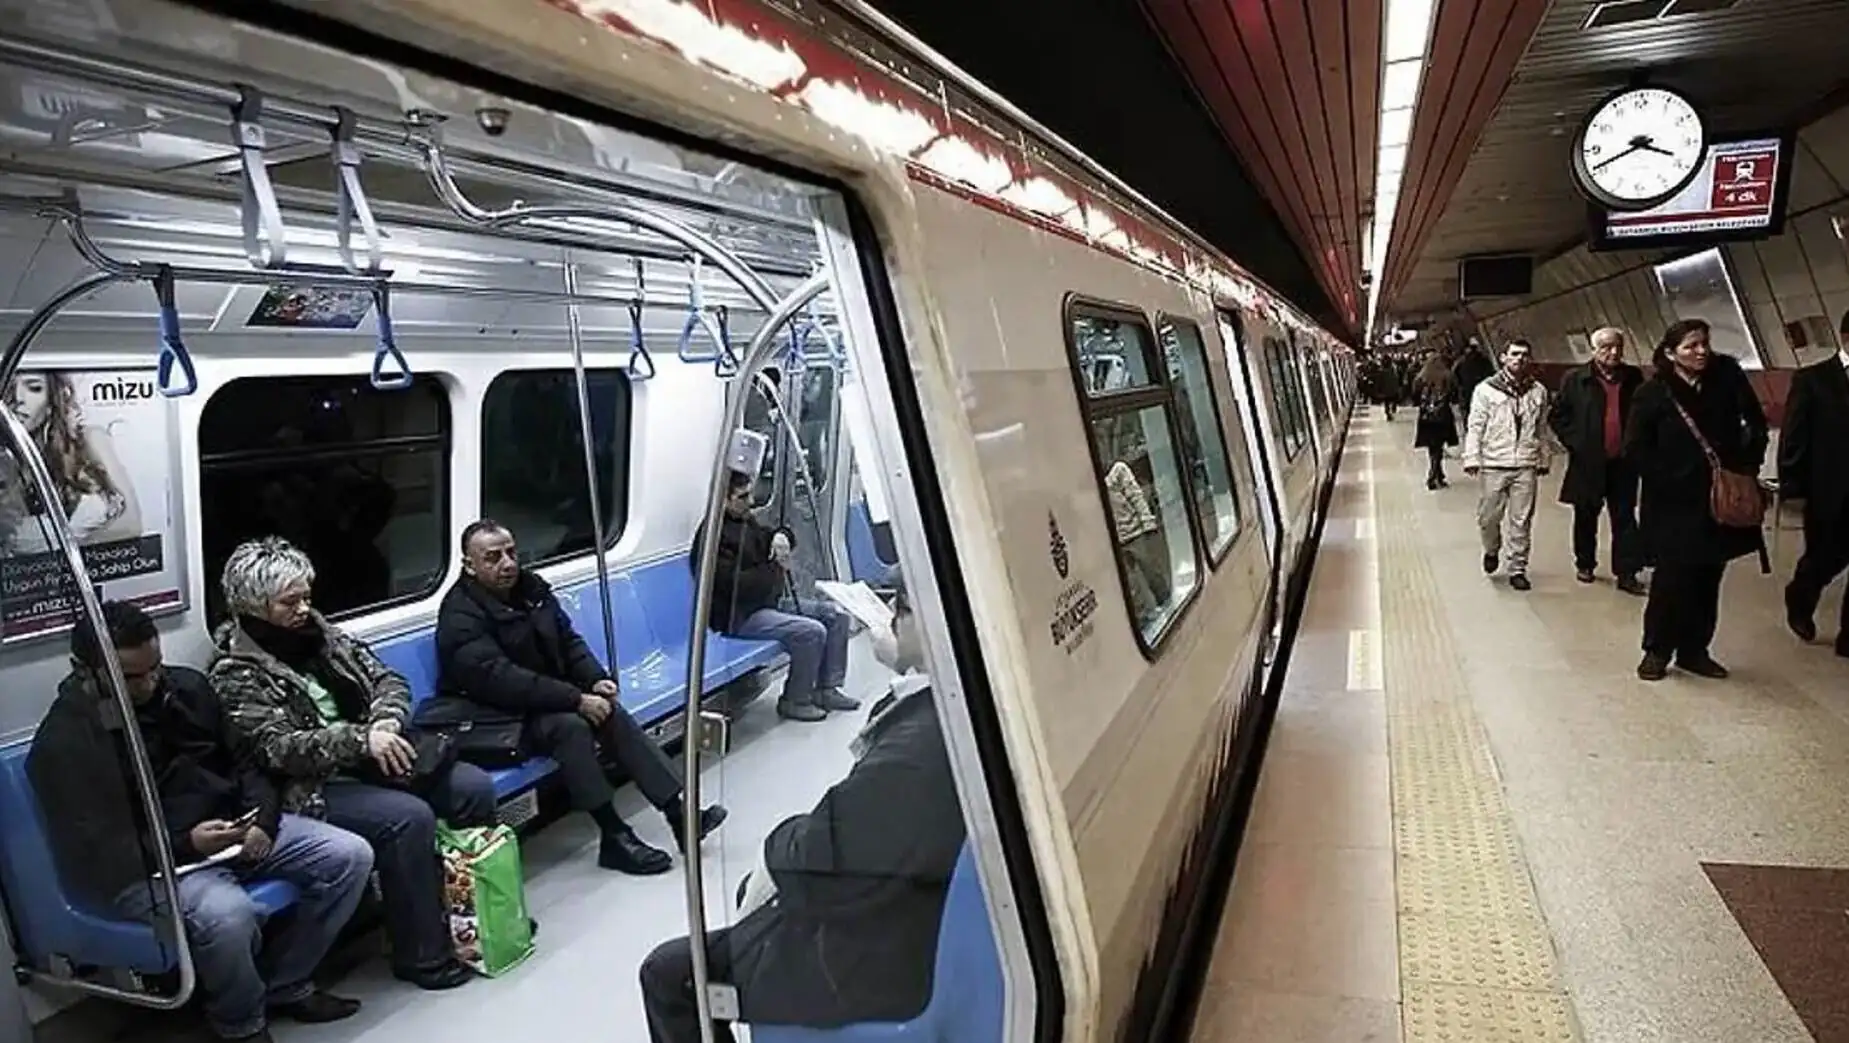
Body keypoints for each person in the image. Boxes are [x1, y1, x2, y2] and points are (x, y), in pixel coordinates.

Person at [638, 584, 966, 1043]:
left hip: (876, 958)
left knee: (670, 974)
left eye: (902, 609)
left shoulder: (916, 743)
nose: (891, 615)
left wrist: (774, 848)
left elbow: (821, 856)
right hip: (907, 911)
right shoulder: (956, 709)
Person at [29, 601, 370, 1042]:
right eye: (130, 678)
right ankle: (241, 1023)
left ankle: (284, 982)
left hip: (232, 828)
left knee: (349, 857)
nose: (150, 683)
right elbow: (101, 851)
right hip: (155, 866)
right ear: (84, 670)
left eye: (155, 667)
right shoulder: (65, 744)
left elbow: (247, 762)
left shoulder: (186, 688)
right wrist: (187, 843)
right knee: (228, 916)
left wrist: (263, 821)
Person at [211, 536, 490, 990]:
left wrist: (384, 721)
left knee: (471, 788)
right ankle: (421, 955)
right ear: (254, 606)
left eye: (306, 595)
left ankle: (473, 924)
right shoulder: (235, 673)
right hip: (313, 788)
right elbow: (276, 749)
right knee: (408, 819)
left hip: (374, 754)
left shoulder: (324, 636)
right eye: (289, 602)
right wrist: (363, 740)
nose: (304, 608)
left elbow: (387, 679)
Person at [426, 520, 726, 876]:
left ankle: (680, 816)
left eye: (510, 553)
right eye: (492, 558)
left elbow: (568, 642)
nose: (506, 564)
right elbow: (500, 681)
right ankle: (614, 835)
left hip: (538, 700)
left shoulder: (531, 589)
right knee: (570, 726)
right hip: (492, 716)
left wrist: (595, 679)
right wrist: (575, 699)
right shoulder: (460, 615)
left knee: (607, 712)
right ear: (469, 566)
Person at [1623, 319, 1768, 681]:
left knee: (1708, 576)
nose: (1701, 351)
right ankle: (1656, 649)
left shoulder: (1727, 378)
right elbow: (1636, 447)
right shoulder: (1653, 392)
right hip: (1673, 502)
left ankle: (1695, 650)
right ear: (1671, 353)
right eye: (1691, 346)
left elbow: (1755, 422)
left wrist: (1746, 465)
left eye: (1704, 343)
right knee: (1671, 579)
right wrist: (1668, 478)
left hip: (1719, 498)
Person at [693, 474, 856, 723]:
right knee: (810, 631)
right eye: (742, 497)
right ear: (723, 501)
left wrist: (783, 537)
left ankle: (827, 688)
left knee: (836, 615)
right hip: (737, 616)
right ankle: (795, 699)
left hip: (765, 604)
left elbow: (775, 536)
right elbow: (737, 585)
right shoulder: (712, 537)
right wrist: (776, 568)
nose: (751, 501)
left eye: (750, 494)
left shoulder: (746, 522)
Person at [1548, 327, 1647, 594]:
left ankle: (1626, 573)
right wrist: (1576, 442)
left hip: (1623, 463)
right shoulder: (1576, 379)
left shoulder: (1633, 378)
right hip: (1588, 462)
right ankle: (1585, 563)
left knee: (1624, 517)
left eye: (1617, 347)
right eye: (1605, 347)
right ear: (1594, 350)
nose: (1613, 352)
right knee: (1585, 514)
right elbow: (1557, 416)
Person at [2, 370, 141, 552]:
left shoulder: (90, 439)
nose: (19, 398)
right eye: (9, 388)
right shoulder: (6, 463)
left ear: (52, 399)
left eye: (34, 388)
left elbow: (131, 524)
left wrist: (72, 553)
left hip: (94, 572)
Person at [1777, 309, 1849, 656]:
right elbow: (1794, 437)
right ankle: (1800, 596)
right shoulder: (1814, 380)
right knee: (1825, 557)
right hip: (1829, 489)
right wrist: (1792, 487)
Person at [1462, 339, 1552, 591]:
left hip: (1525, 463)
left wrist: (1544, 457)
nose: (1519, 359)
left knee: (1521, 520)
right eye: (1514, 354)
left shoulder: (1538, 392)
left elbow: (1542, 428)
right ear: (1503, 358)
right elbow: (1475, 425)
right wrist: (1471, 456)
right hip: (1493, 463)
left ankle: (1517, 568)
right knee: (1488, 517)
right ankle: (1492, 549)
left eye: (1524, 355)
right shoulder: (1486, 390)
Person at [1412, 354, 1459, 489]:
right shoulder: (1448, 376)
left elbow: (1414, 396)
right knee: (1438, 447)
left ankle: (1438, 475)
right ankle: (1432, 476)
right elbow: (1454, 396)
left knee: (1433, 448)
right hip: (1443, 416)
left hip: (1426, 417)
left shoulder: (1421, 377)